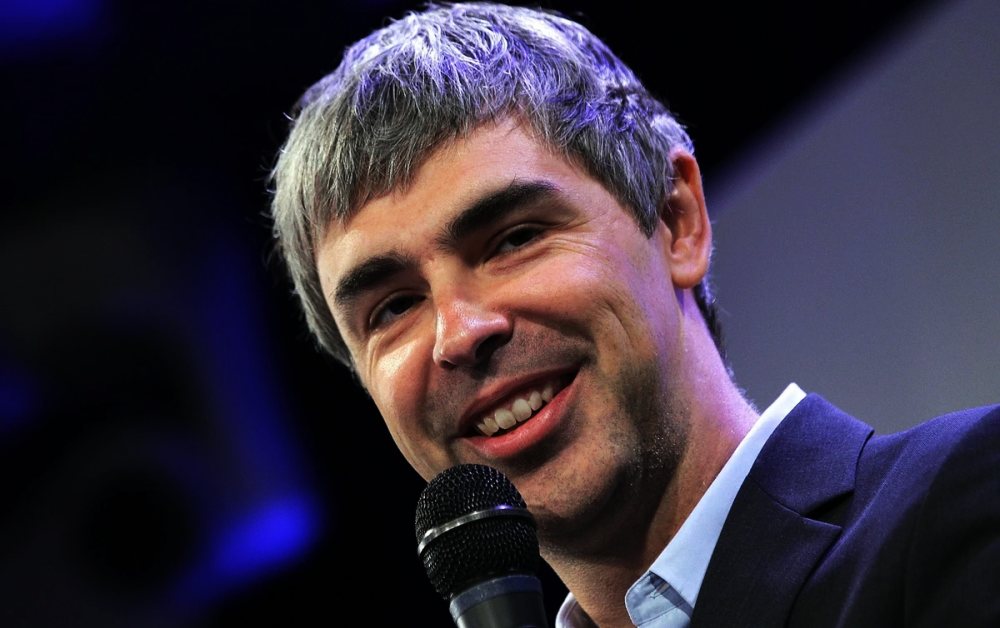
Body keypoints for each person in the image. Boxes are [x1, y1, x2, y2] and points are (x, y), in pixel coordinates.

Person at [268, 3, 1000, 626]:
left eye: (514, 239)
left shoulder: (967, 503)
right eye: (394, 306)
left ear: (676, 221)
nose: (459, 333)